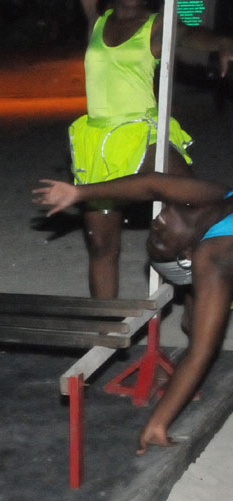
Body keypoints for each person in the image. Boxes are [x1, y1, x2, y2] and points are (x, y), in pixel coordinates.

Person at [34, 172, 233, 454]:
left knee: (199, 322)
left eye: (154, 235)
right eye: (161, 240)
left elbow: (151, 183)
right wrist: (159, 423)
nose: (156, 225)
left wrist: (78, 194)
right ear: (189, 253)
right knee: (199, 324)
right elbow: (202, 350)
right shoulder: (215, 256)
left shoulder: (211, 195)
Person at [70, 0, 233, 299]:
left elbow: (188, 35)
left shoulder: (156, 24)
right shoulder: (97, 18)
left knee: (196, 208)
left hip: (141, 134)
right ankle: (106, 331)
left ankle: (203, 307)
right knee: (102, 245)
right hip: (98, 143)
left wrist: (221, 40)